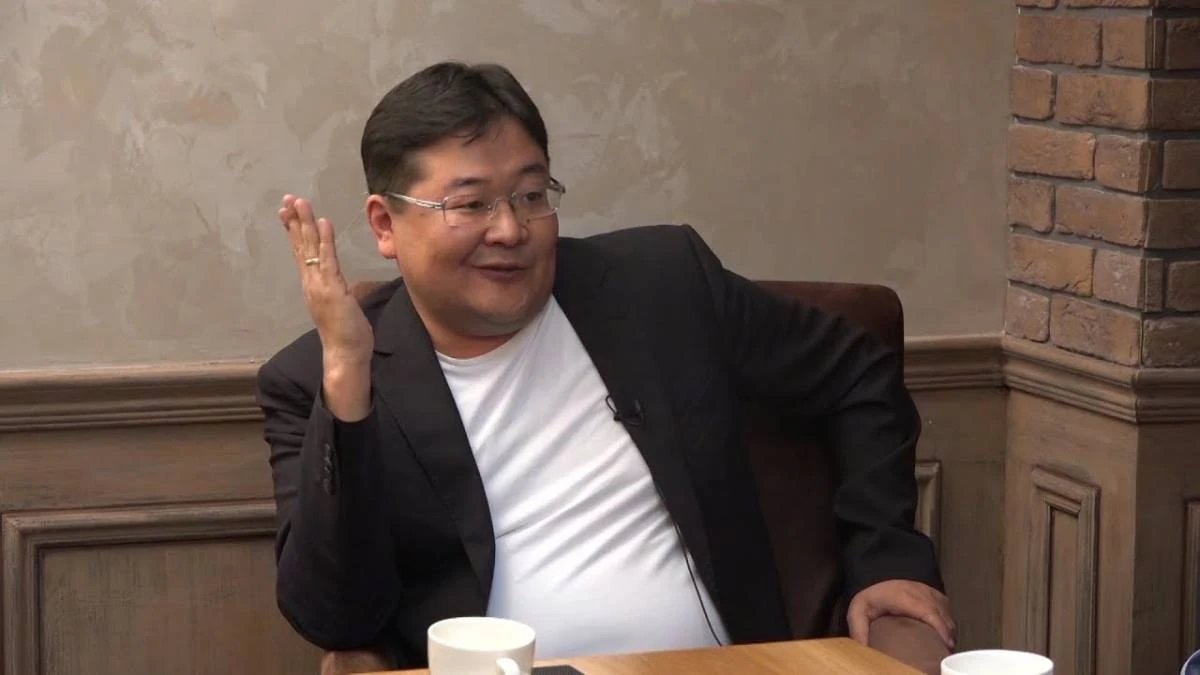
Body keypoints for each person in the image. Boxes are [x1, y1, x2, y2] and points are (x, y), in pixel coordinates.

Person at [256, 60, 955, 670]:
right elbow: (335, 616)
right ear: (385, 224)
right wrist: (347, 381)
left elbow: (858, 370)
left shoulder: (659, 288)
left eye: (531, 195)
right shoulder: (314, 378)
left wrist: (887, 554)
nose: (511, 229)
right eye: (470, 204)